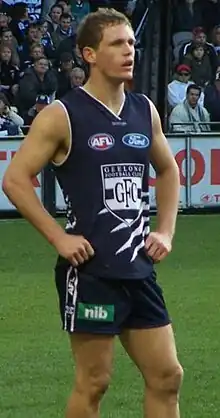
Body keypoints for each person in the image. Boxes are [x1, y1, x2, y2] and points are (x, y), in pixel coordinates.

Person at [2, 8, 183, 418]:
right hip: (90, 272)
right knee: (95, 382)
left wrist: (166, 230)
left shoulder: (144, 110)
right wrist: (58, 237)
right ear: (89, 55)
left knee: (167, 376)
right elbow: (14, 179)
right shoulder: (62, 115)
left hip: (138, 267)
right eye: (117, 44)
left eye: (131, 43)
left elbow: (169, 169)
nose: (129, 52)